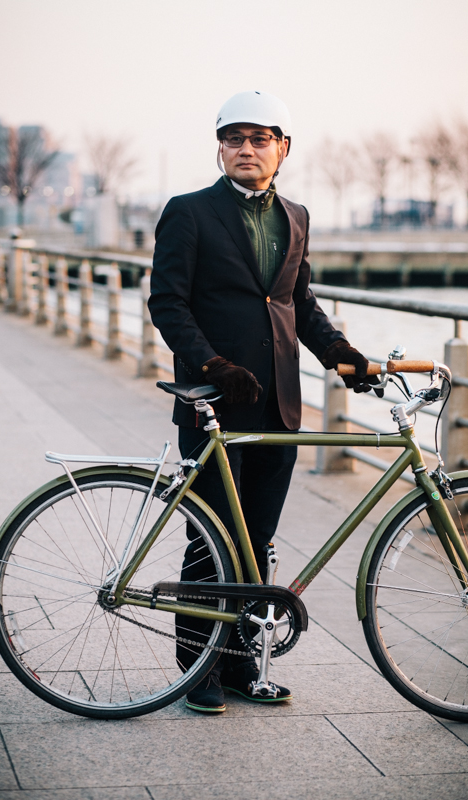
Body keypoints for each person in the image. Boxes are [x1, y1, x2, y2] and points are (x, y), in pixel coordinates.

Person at [148, 90, 378, 714]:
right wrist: (212, 364)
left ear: (282, 148)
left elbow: (298, 303)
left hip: (279, 401)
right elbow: (166, 303)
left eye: (259, 139)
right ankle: (197, 668)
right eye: (234, 139)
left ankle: (245, 663)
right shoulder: (189, 212)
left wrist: (342, 354)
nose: (246, 150)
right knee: (211, 539)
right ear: (219, 148)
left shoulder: (296, 215)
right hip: (213, 402)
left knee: (258, 539)